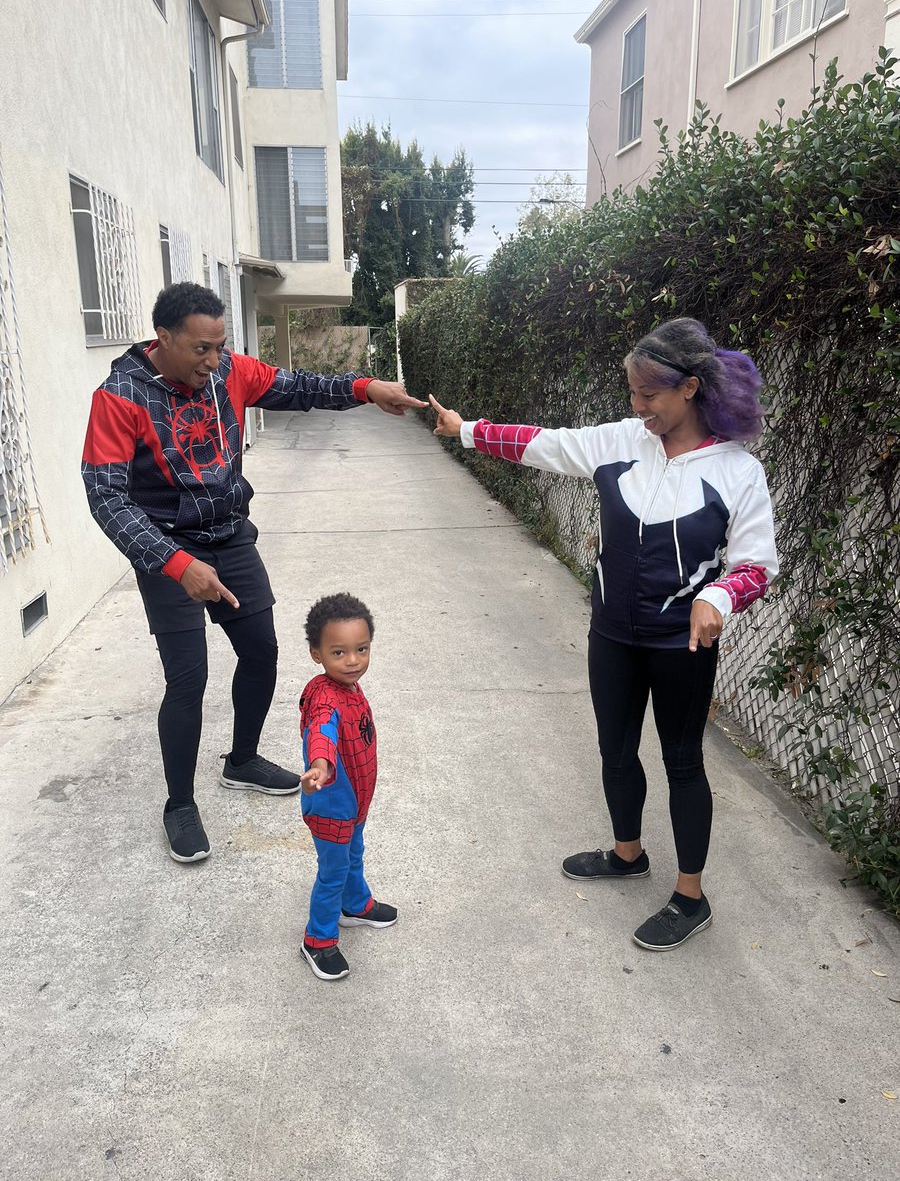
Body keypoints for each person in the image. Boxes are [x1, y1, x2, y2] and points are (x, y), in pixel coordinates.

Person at [428, 317, 778, 951]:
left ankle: (690, 897)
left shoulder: (737, 471)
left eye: (649, 394)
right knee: (615, 750)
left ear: (691, 388)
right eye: (633, 393)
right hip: (612, 632)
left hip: (682, 645)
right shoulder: (622, 441)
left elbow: (757, 563)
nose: (638, 406)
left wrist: (720, 596)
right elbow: (545, 443)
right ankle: (627, 854)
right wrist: (467, 430)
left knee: (682, 763)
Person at [82, 282, 426, 865]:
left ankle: (241, 760)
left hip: (230, 535)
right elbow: (107, 498)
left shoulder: (229, 372)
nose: (214, 361)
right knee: (187, 679)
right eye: (201, 348)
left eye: (220, 346)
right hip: (167, 548)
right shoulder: (119, 396)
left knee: (262, 651)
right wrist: (175, 564)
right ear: (163, 338)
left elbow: (298, 386)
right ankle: (179, 804)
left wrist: (365, 389)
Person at [298, 593, 396, 981]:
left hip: (356, 803)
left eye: (361, 649)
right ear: (316, 654)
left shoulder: (350, 686)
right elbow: (322, 731)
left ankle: (355, 905)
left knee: (355, 853)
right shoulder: (325, 698)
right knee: (333, 872)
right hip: (333, 806)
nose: (353, 661)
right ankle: (318, 939)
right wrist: (319, 765)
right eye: (338, 652)